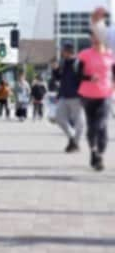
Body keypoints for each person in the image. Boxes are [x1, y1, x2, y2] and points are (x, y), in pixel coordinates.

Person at [76, 31, 115, 171]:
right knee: (92, 127)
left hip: (105, 94)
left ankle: (99, 153)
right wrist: (89, 78)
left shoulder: (110, 55)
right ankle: (93, 151)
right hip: (87, 95)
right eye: (93, 37)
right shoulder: (84, 54)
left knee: (101, 124)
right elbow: (78, 75)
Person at [51, 44, 84, 152]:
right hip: (64, 95)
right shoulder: (63, 62)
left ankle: (75, 142)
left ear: (68, 51)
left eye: (63, 51)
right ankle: (72, 137)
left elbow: (82, 79)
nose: (61, 52)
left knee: (79, 120)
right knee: (58, 118)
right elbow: (58, 78)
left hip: (76, 96)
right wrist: (55, 69)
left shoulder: (78, 63)